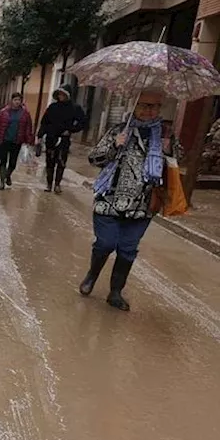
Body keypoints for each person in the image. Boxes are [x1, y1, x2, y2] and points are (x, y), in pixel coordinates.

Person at [81, 90, 180, 312]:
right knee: (105, 243)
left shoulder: (166, 135)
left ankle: (115, 291)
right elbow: (94, 158)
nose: (149, 110)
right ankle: (92, 275)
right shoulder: (118, 130)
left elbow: (175, 165)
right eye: (144, 105)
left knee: (127, 249)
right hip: (110, 199)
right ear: (134, 105)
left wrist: (168, 151)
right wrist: (115, 145)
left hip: (143, 205)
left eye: (154, 107)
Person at [37, 85, 88, 193]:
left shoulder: (75, 108)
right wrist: (40, 136)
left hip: (64, 140)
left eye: (63, 94)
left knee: (61, 162)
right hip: (51, 139)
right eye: (59, 94)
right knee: (50, 162)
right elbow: (44, 122)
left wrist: (71, 130)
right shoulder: (52, 107)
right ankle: (49, 184)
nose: (61, 96)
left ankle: (57, 184)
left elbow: (82, 122)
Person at [0, 92, 35, 190]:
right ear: (11, 100)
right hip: (4, 140)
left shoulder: (25, 114)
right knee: (3, 161)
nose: (17, 102)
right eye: (15, 100)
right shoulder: (4, 112)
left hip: (17, 141)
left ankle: (8, 175)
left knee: (13, 163)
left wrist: (29, 140)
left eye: (19, 100)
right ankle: (2, 182)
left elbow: (28, 128)